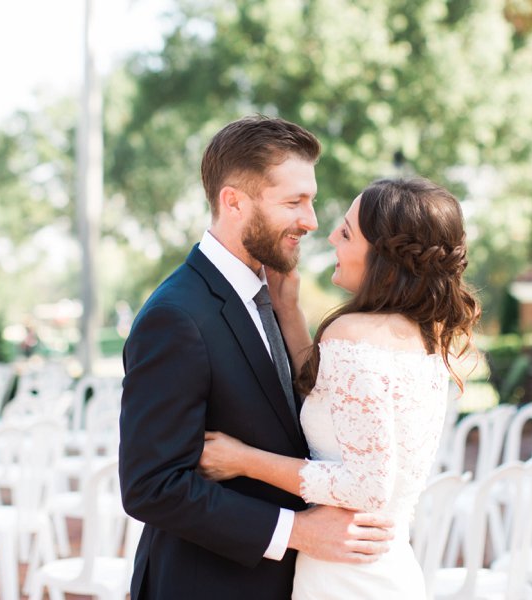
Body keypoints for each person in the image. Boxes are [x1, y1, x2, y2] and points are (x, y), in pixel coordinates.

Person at [119, 115, 395, 600]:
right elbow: (151, 485)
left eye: (309, 200)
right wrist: (298, 532)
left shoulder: (272, 292)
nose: (311, 221)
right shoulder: (177, 316)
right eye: (294, 202)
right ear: (234, 202)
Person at [200, 177, 481, 599]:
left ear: (384, 258)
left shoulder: (353, 333)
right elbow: (330, 395)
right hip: (383, 564)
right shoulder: (422, 337)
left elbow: (366, 486)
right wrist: (289, 311)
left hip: (347, 574)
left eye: (346, 232)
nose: (330, 235)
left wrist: (241, 460)